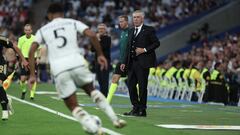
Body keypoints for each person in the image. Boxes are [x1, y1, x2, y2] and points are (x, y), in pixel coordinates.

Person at [28, 3, 126, 134]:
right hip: (77, 63)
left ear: (50, 15)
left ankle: (95, 129)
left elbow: (32, 50)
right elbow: (91, 35)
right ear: (63, 14)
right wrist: (100, 55)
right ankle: (115, 119)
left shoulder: (43, 30)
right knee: (91, 90)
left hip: (59, 69)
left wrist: (32, 75)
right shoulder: (72, 22)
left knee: (72, 104)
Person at [120, 10, 160, 117]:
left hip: (143, 64)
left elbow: (157, 43)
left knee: (142, 87)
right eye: (134, 17)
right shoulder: (131, 30)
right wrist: (124, 61)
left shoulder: (149, 30)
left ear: (142, 18)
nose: (136, 19)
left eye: (138, 17)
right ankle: (135, 107)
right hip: (131, 63)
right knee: (130, 86)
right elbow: (128, 48)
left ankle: (142, 110)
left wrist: (144, 50)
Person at [0, 36, 28, 120]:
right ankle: (7, 99)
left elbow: (14, 47)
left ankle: (5, 110)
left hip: (0, 63)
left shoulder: (1, 39)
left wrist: (23, 59)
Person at [107, 15, 129, 103]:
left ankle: (138, 103)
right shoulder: (122, 33)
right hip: (121, 60)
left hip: (129, 61)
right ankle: (107, 101)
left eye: (122, 21)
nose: (120, 23)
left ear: (127, 22)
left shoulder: (131, 32)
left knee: (133, 82)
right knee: (114, 78)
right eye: (119, 22)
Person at [18, 24, 38, 100]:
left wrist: (38, 58)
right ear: (24, 31)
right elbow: (19, 51)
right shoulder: (21, 39)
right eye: (26, 30)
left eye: (29, 30)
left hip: (33, 59)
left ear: (31, 30)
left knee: (33, 77)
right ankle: (23, 91)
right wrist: (19, 61)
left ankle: (32, 95)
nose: (27, 31)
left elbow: (39, 48)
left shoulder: (35, 38)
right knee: (22, 79)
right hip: (24, 59)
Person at [94, 23, 111, 97]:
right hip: (97, 61)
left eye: (102, 28)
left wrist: (97, 39)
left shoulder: (108, 38)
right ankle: (102, 94)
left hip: (105, 61)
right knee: (99, 79)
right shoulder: (95, 38)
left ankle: (105, 96)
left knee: (104, 79)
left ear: (105, 30)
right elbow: (92, 49)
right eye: (99, 28)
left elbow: (103, 48)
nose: (100, 30)